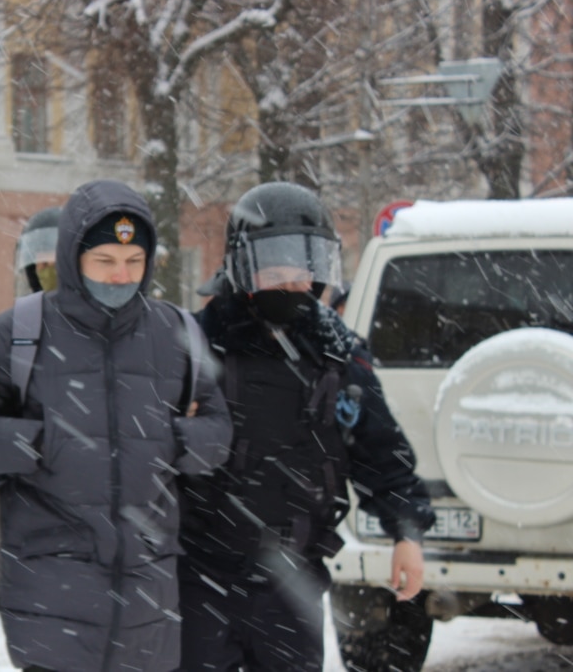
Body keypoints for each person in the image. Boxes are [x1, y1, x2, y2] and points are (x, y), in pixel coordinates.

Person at [0, 179, 234, 672]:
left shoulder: (176, 333)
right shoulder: (19, 334)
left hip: (147, 600)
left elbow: (219, 430)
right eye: (105, 262)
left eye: (133, 262)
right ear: (74, 259)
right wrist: (35, 442)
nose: (120, 276)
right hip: (52, 597)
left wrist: (177, 442)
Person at [179, 182, 436, 671]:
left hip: (291, 580)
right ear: (242, 267)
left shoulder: (337, 354)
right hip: (200, 577)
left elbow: (383, 455)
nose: (292, 285)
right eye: (276, 271)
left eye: (304, 272)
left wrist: (407, 532)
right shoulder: (195, 345)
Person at [15, 206, 60, 294]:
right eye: (44, 264)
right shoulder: (29, 307)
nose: (50, 273)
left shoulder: (90, 306)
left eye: (57, 264)